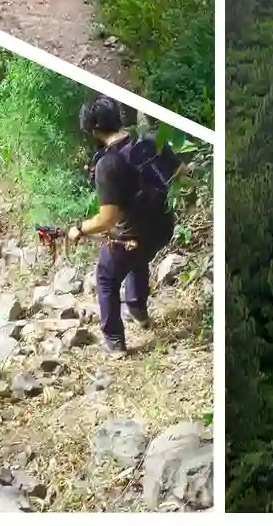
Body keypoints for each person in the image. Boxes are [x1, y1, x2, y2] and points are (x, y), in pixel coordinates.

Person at [68, 96, 159, 357]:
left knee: (107, 277)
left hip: (132, 235)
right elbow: (180, 170)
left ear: (95, 131)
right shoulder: (147, 142)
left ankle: (115, 342)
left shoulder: (108, 164)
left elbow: (107, 219)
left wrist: (80, 229)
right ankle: (138, 310)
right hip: (161, 229)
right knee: (136, 256)